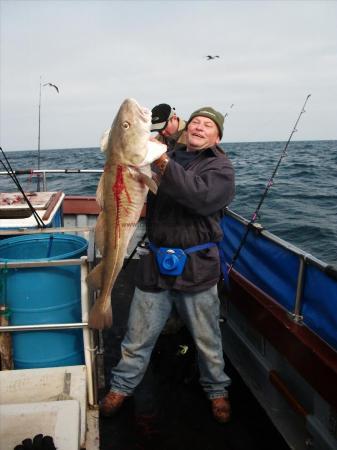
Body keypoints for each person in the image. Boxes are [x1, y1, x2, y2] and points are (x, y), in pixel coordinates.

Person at [100, 106, 235, 424]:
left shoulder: (221, 167)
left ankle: (217, 391)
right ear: (187, 128)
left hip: (197, 267)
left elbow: (200, 198)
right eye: (196, 122)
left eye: (208, 125)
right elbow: (128, 154)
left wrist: (161, 162)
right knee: (137, 336)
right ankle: (121, 387)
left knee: (207, 340)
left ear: (217, 136)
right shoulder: (165, 152)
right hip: (156, 262)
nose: (200, 127)